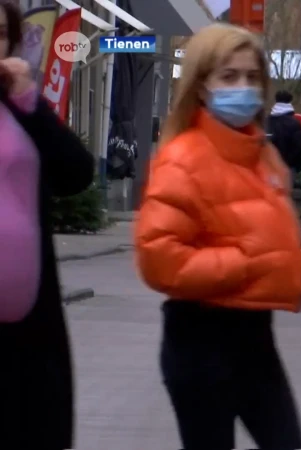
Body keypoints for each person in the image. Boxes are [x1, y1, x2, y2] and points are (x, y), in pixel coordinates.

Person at [134, 24, 301, 450]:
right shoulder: (182, 159)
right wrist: (244, 264)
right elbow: (160, 258)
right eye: (228, 77)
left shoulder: (259, 155)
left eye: (252, 78)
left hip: (254, 339)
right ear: (201, 86)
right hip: (200, 341)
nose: (243, 88)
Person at [0, 2, 95, 448]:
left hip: (30, 323)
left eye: (1, 34)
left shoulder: (20, 107)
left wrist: (29, 102)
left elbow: (76, 173)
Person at [268, 90, 301, 179]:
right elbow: (300, 146)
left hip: (269, 166)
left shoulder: (267, 121)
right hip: (289, 166)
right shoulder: (295, 123)